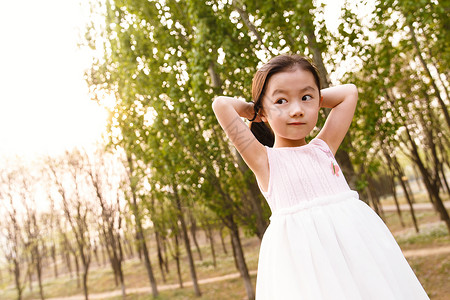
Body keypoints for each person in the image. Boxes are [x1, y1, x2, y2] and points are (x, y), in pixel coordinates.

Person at [211, 54, 429, 299]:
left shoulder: (324, 148)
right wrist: (258, 110)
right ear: (262, 111)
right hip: (309, 271)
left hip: (358, 255)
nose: (296, 110)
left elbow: (349, 92)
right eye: (281, 101)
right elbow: (221, 105)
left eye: (306, 98)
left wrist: (303, 99)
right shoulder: (264, 161)